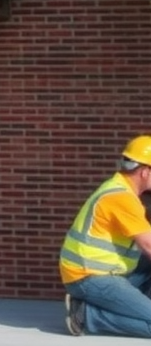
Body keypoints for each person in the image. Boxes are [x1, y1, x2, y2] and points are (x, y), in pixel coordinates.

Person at [61, 136, 151, 337]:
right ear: (145, 172)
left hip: (101, 271)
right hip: (89, 278)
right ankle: (85, 316)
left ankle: (135, 307)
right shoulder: (121, 198)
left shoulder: (119, 188)